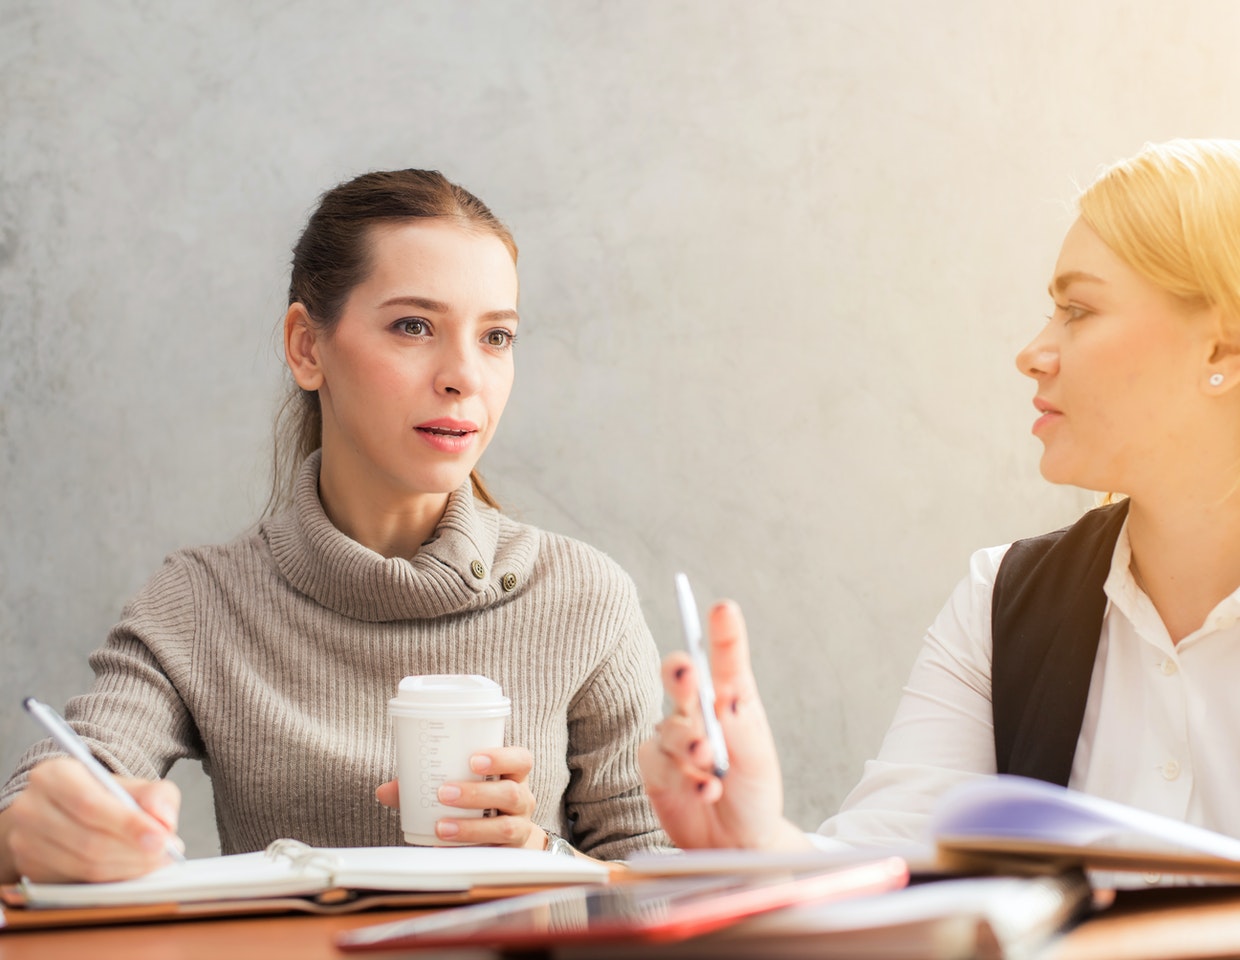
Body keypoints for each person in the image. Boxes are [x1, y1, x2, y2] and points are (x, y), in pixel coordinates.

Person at [0, 168, 667, 883]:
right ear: (306, 348)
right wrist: (31, 834)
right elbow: (61, 784)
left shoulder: (585, 598)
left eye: (496, 336)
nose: (464, 376)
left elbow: (667, 881)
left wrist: (545, 860)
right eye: (414, 326)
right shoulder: (200, 602)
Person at [640, 138, 1240, 857]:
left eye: (1078, 310)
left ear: (1220, 350)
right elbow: (893, 866)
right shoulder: (1002, 598)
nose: (1033, 352)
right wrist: (758, 841)